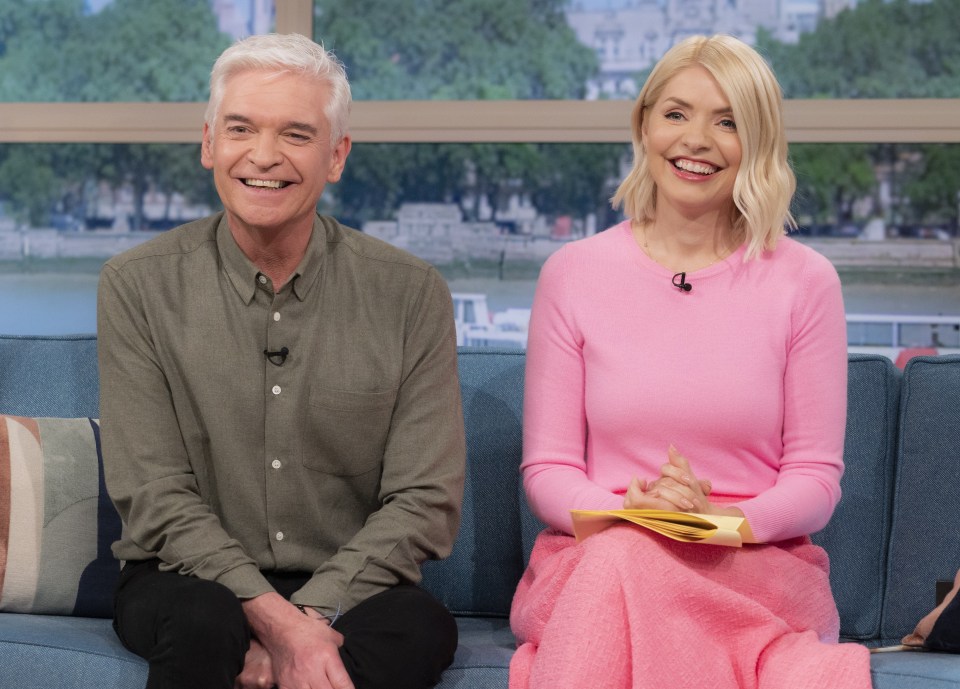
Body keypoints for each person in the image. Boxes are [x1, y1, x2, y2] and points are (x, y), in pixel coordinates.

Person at [97, 33, 465, 689]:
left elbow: (425, 500)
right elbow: (153, 492)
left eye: (296, 134)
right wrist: (275, 620)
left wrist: (308, 615)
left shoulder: (410, 293)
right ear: (211, 142)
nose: (263, 156)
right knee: (207, 622)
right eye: (241, 129)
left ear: (337, 155)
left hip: (348, 580)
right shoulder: (137, 284)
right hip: (182, 580)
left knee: (421, 627)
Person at [509, 34, 873, 689]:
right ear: (644, 124)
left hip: (751, 563)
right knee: (623, 557)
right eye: (676, 113)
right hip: (601, 545)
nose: (697, 138)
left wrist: (715, 525)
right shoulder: (573, 274)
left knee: (624, 567)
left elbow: (816, 480)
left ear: (757, 142)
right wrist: (633, 509)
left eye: (727, 120)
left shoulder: (804, 282)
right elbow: (548, 471)